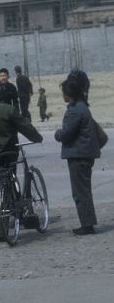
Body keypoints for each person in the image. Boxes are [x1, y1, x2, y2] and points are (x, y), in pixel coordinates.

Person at [0, 83, 43, 243]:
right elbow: (25, 127)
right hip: (5, 159)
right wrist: (37, 138)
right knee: (5, 196)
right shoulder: (9, 110)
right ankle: (0, 232)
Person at [55, 78, 101, 236]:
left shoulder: (75, 110)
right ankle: (88, 222)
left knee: (80, 191)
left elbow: (67, 133)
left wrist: (58, 134)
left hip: (78, 155)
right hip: (85, 153)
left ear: (69, 93)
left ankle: (87, 225)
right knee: (84, 189)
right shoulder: (82, 107)